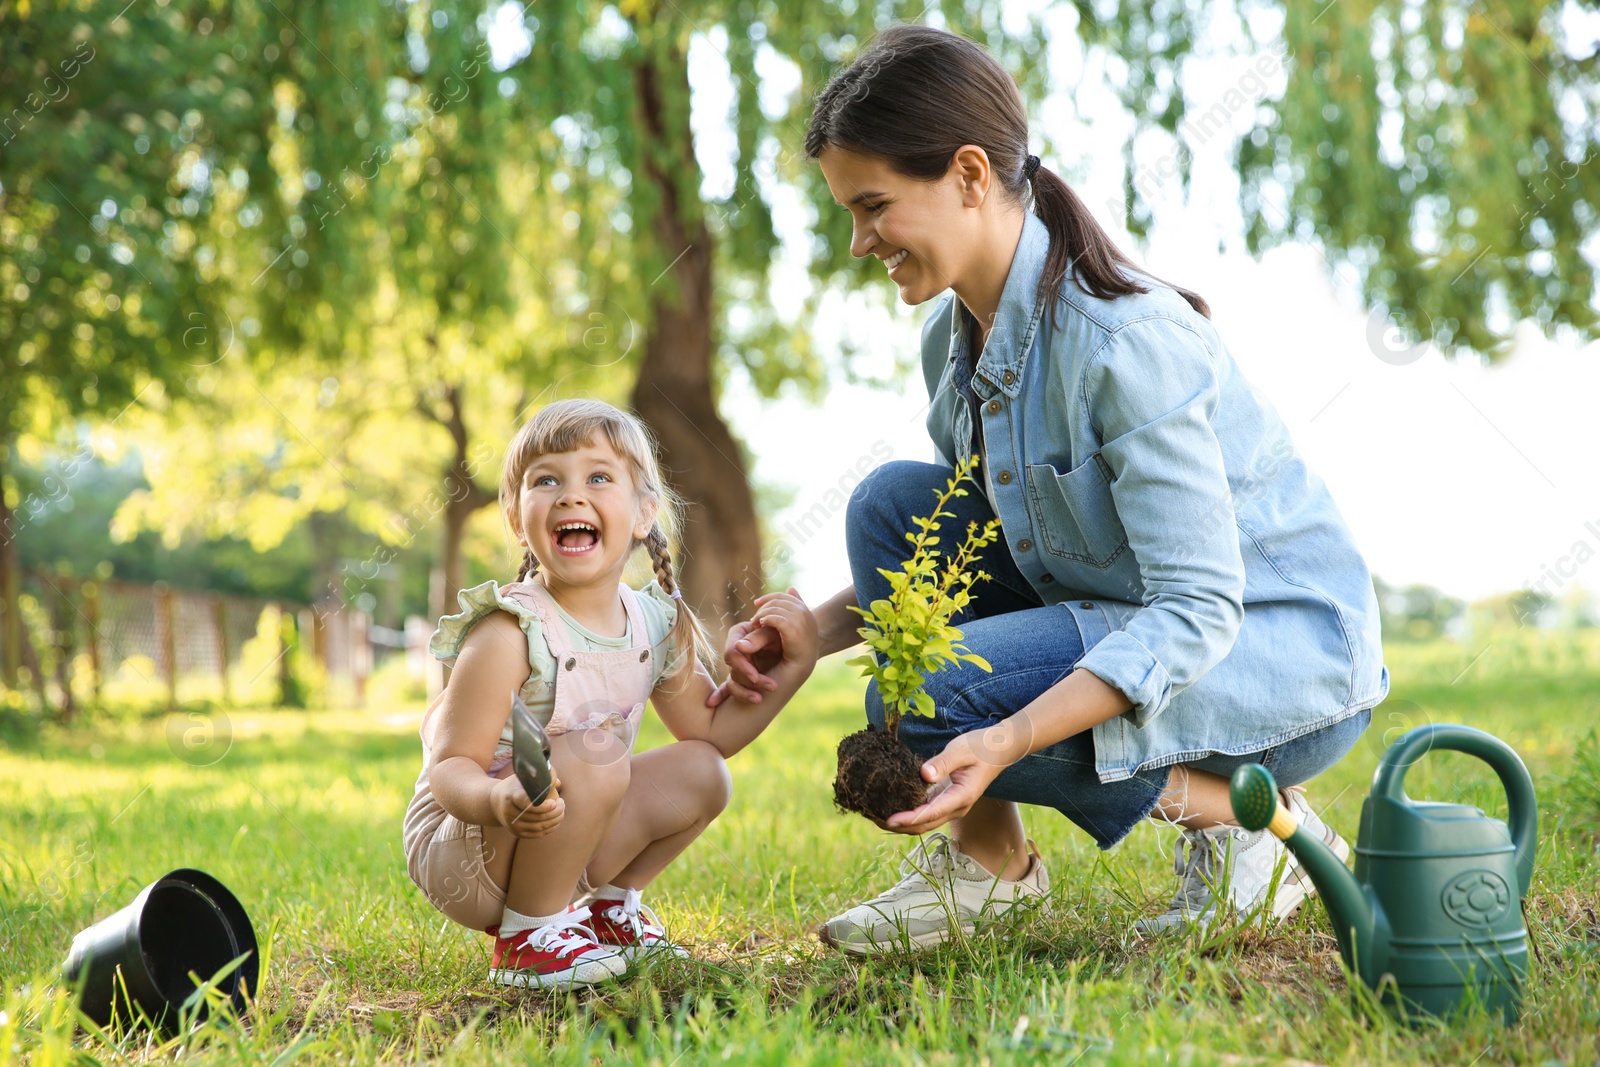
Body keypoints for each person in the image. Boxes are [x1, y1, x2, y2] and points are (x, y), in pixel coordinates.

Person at [712, 25, 1388, 952]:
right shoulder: (953, 342)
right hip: (1125, 612)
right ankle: (988, 867)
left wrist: (1012, 736)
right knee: (888, 509)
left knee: (920, 705)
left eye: (873, 206)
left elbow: (1197, 608)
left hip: (1276, 657)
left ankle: (1249, 821)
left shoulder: (1124, 344)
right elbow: (979, 536)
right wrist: (813, 633)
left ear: (968, 175)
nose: (860, 241)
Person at [403, 399, 818, 987]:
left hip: (565, 832)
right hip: (469, 848)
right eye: (546, 480)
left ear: (645, 512)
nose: (571, 495)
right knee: (598, 748)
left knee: (703, 771)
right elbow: (450, 767)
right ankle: (527, 940)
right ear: (518, 520)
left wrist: (794, 668)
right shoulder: (508, 631)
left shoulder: (654, 622)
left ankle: (603, 912)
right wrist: (498, 800)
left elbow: (711, 734)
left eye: (598, 476)